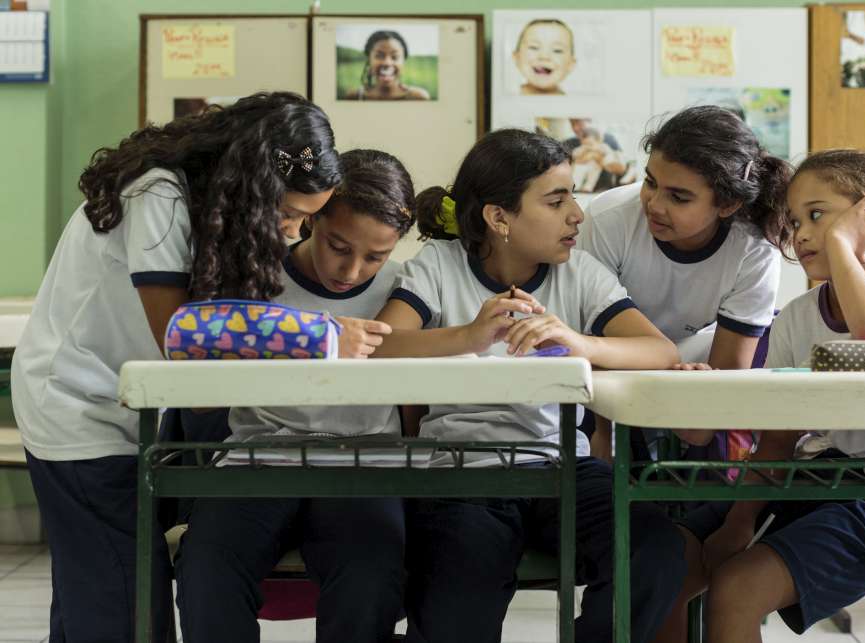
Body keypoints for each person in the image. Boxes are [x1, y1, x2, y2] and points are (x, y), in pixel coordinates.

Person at [10, 91, 341, 643]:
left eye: (303, 221)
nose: (289, 232)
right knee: (127, 609)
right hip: (76, 407)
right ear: (253, 185)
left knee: (95, 594)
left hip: (124, 408)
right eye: (286, 213)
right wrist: (319, 336)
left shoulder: (213, 209)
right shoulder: (158, 193)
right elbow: (180, 339)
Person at [373, 129, 685, 643]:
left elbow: (660, 352)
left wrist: (578, 343)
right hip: (462, 472)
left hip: (560, 465)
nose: (577, 215)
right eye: (557, 200)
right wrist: (471, 336)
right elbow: (382, 346)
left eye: (574, 198)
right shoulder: (439, 267)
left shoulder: (580, 274)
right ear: (499, 218)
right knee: (456, 610)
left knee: (652, 551)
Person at [657, 149, 865, 643]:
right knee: (664, 567)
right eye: (796, 220)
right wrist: (739, 520)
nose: (803, 234)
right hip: (806, 482)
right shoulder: (796, 316)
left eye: (818, 216)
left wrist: (840, 242)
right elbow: (776, 440)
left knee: (736, 587)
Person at [175, 149, 415, 643]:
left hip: (363, 463)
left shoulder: (405, 292)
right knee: (207, 570)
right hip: (258, 457)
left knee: (370, 577)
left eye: (375, 256)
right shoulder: (258, 279)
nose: (351, 271)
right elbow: (199, 376)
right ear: (312, 219)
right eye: (338, 246)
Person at [580, 105, 793, 460]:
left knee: (701, 441)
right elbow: (593, 344)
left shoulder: (754, 249)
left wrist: (694, 402)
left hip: (692, 360)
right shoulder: (609, 220)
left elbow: (725, 377)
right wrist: (604, 434)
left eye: (679, 197)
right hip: (607, 360)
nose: (655, 205)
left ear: (728, 204)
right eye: (650, 182)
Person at [344, 30, 431, 101]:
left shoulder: (418, 98)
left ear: (403, 61)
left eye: (395, 57)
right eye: (379, 56)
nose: (387, 63)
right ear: (369, 60)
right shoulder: (355, 97)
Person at [512, 19, 576, 95]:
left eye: (557, 50)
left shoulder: (576, 103)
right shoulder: (504, 98)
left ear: (571, 64)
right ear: (516, 57)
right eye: (534, 47)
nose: (544, 56)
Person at [564, 118, 628, 193]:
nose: (575, 128)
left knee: (593, 174)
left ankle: (587, 187)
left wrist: (597, 157)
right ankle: (576, 186)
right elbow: (573, 157)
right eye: (572, 124)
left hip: (604, 189)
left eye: (578, 123)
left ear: (589, 121)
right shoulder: (568, 143)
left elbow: (622, 168)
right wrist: (580, 158)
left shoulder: (608, 139)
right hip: (574, 187)